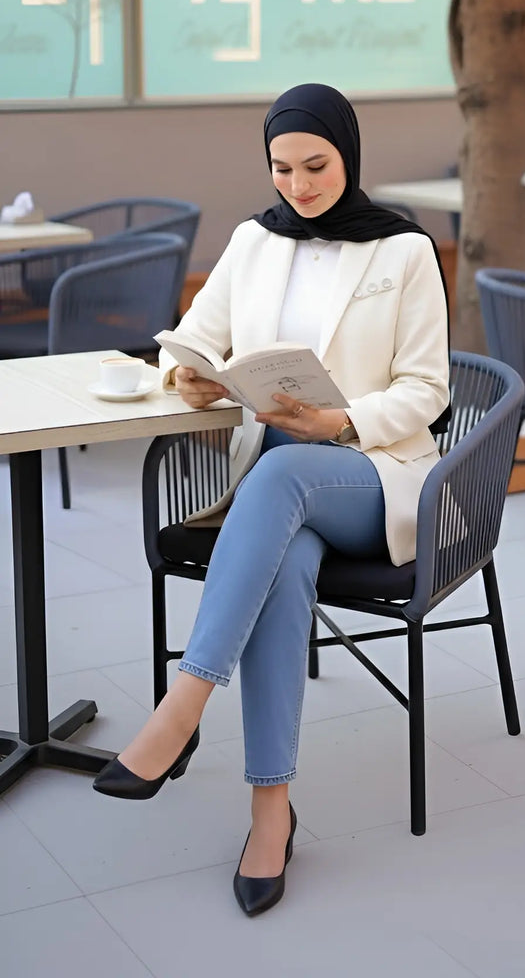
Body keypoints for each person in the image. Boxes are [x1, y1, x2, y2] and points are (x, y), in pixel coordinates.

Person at [93, 83, 450, 917]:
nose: (299, 184)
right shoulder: (254, 239)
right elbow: (194, 332)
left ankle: (184, 702)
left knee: (283, 479)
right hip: (277, 475)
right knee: (280, 565)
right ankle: (268, 813)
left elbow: (427, 389)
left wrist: (340, 418)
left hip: (371, 470)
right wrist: (187, 371)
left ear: (347, 154)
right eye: (282, 167)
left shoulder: (401, 249)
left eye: (315, 165)